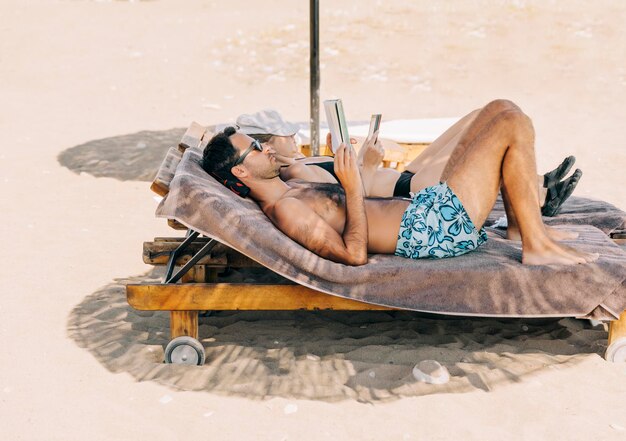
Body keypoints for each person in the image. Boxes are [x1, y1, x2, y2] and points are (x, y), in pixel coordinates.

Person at [203, 99, 597, 266]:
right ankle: (536, 244)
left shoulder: (292, 188)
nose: (266, 149)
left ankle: (521, 230)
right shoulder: (285, 210)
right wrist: (354, 188)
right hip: (431, 230)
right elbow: (352, 255)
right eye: (255, 148)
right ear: (240, 171)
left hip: (427, 211)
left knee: (497, 110)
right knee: (509, 120)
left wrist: (350, 178)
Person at [236, 107, 582, 218]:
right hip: (410, 191)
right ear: (267, 146)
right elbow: (351, 198)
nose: (293, 139)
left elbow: (348, 175)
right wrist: (366, 165)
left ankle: (537, 182)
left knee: (479, 115)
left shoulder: (299, 160)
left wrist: (353, 154)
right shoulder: (294, 175)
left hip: (404, 176)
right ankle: (537, 197)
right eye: (285, 137)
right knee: (486, 134)